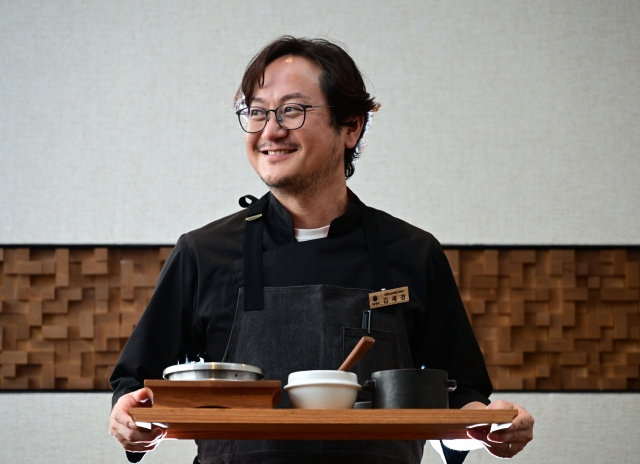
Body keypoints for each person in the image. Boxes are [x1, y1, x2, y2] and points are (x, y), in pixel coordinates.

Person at [109, 36, 534, 464]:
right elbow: (136, 388)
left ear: (351, 126)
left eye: (292, 110)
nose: (270, 130)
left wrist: (486, 428)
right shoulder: (203, 253)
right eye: (256, 112)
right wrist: (132, 420)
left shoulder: (412, 253)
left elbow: (463, 404)